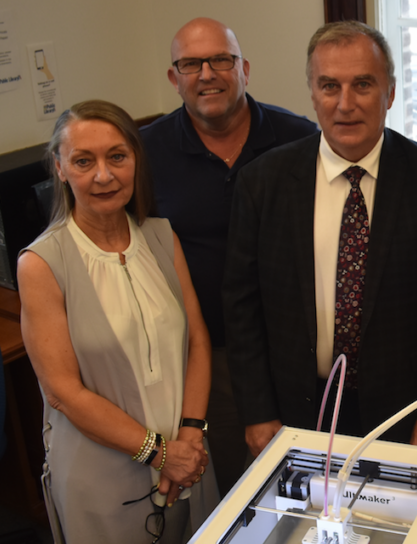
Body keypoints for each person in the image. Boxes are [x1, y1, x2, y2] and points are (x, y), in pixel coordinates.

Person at [222, 21, 417, 454]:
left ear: (389, 93)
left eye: (362, 84)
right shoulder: (262, 182)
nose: (345, 104)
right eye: (329, 86)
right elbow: (242, 309)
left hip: (404, 412)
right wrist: (258, 413)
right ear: (313, 94)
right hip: (294, 409)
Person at [18, 100, 217, 544]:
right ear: (59, 168)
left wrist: (191, 436)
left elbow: (198, 339)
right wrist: (159, 454)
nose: (103, 175)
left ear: (137, 161)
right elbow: (62, 391)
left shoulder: (160, 234)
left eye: (117, 156)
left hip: (186, 454)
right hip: (105, 472)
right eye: (83, 161)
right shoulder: (42, 263)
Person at [141, 18, 318, 495]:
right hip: (204, 356)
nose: (207, 74)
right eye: (191, 64)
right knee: (226, 486)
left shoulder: (300, 139)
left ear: (244, 69)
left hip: (294, 350)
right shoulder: (145, 154)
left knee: (300, 478)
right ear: (173, 78)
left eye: (221, 60)